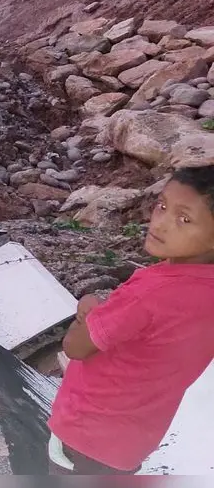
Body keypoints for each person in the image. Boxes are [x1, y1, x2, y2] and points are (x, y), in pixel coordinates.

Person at [47, 165, 214, 475]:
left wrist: (88, 308)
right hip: (134, 439)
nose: (161, 224)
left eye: (184, 218)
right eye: (162, 206)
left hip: (86, 435)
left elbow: (76, 348)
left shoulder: (150, 292)